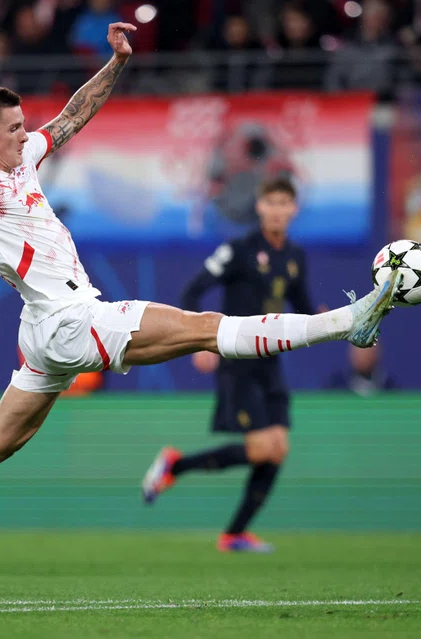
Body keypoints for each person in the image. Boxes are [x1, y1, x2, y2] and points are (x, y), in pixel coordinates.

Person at [0, 23, 403, 592]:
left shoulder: (22, 159)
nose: (26, 135)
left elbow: (71, 116)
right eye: (12, 129)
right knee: (208, 330)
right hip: (69, 322)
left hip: (46, 330)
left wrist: (116, 64)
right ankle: (352, 321)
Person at [140, 178, 319, 553]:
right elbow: (193, 289)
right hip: (237, 358)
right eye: (270, 201)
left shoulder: (295, 256)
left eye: (284, 202)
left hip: (270, 362)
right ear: (259, 207)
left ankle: (234, 533)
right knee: (260, 449)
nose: (277, 209)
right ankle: (175, 467)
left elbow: (302, 306)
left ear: (293, 209)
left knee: (278, 448)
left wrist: (333, 321)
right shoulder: (238, 249)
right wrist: (198, 340)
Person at [325, 342, 398, 395]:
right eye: (360, 350)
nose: (364, 355)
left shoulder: (389, 388)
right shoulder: (336, 387)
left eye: (368, 350)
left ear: (377, 353)